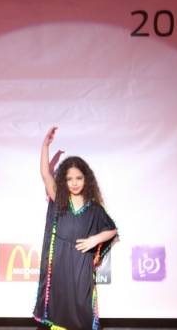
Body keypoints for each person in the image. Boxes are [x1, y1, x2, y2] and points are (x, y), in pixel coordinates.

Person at [33, 127, 118, 330]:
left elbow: (112, 230)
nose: (74, 183)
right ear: (64, 180)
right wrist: (45, 145)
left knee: (82, 303)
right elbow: (45, 174)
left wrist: (94, 240)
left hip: (81, 261)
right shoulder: (59, 198)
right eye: (70, 179)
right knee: (59, 304)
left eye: (78, 178)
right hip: (60, 260)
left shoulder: (94, 208)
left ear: (86, 179)